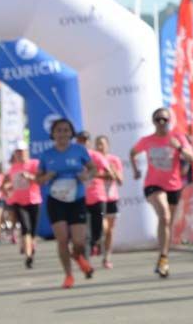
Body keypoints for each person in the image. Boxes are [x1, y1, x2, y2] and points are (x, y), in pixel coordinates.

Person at [131, 107, 193, 278]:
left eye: (165, 119)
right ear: (153, 122)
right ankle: (163, 258)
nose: (161, 122)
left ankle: (163, 259)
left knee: (167, 223)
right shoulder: (147, 140)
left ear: (169, 121)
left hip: (173, 186)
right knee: (164, 216)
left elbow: (192, 158)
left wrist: (179, 148)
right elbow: (132, 153)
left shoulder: (177, 138)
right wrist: (135, 170)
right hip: (153, 185)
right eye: (158, 119)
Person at [35, 118, 96, 289]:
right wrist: (47, 177)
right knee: (62, 239)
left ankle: (77, 256)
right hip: (56, 200)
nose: (62, 133)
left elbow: (93, 169)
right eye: (59, 130)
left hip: (76, 199)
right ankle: (68, 275)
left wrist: (86, 176)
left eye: (66, 130)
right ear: (53, 134)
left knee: (79, 241)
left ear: (71, 133)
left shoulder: (79, 150)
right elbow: (38, 179)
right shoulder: (46, 155)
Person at [5, 141, 42, 269]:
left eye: (22, 151)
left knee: (33, 230)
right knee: (25, 228)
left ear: (27, 152)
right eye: (18, 152)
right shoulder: (12, 168)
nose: (20, 154)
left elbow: (40, 180)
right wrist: (7, 188)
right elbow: (8, 183)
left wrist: (29, 177)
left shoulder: (34, 164)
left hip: (33, 200)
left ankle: (31, 245)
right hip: (18, 201)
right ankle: (28, 256)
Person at [75, 131, 110, 259]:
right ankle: (86, 257)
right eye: (80, 140)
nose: (82, 143)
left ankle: (97, 243)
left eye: (85, 140)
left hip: (97, 197)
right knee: (85, 231)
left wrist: (93, 174)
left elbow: (109, 175)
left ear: (89, 142)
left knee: (98, 229)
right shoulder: (73, 157)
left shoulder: (96, 156)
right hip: (80, 198)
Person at [96, 135, 123, 269]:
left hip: (112, 198)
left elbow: (120, 180)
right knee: (103, 227)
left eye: (103, 144)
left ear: (108, 146)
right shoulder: (94, 160)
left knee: (110, 231)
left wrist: (113, 170)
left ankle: (107, 257)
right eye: (98, 144)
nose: (100, 147)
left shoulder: (114, 160)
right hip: (98, 198)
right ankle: (97, 243)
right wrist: (104, 174)